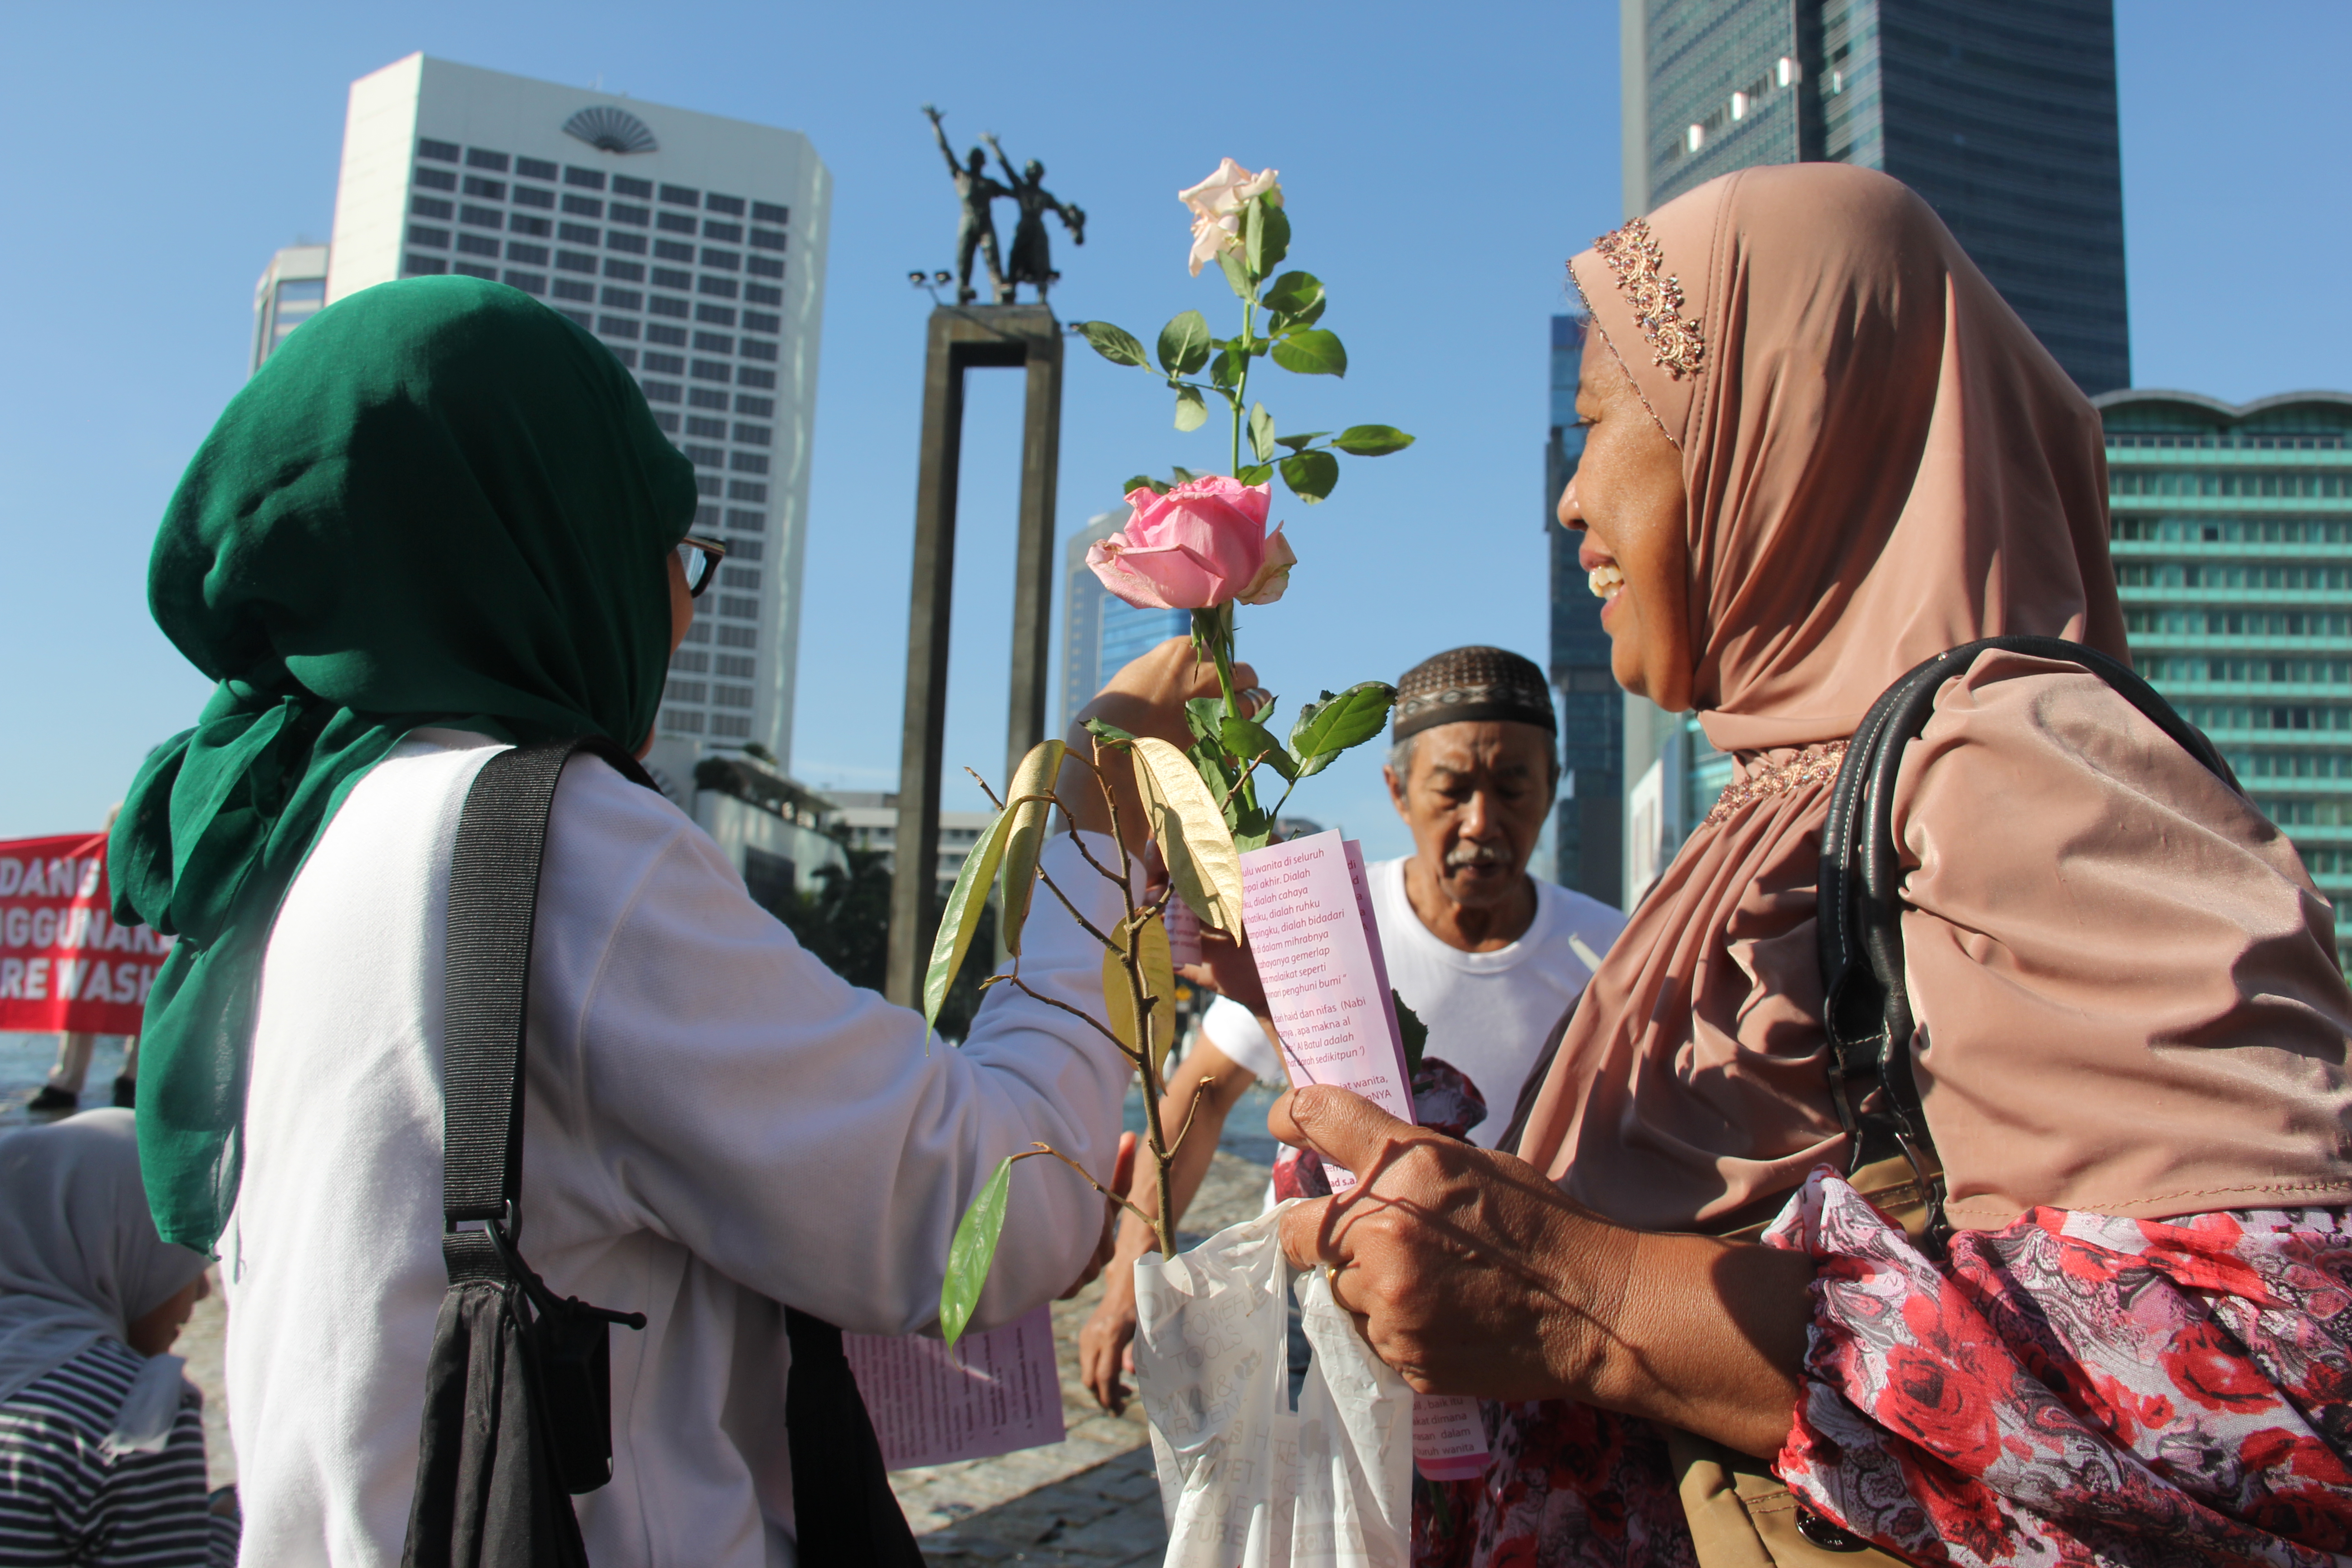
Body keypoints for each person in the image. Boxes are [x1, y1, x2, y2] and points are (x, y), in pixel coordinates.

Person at [1264, 163, 2352, 1566]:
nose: (1572, 502)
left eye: (1601, 428)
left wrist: (1575, 1303)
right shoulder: (1790, 800)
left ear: (1776, 435)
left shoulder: (2006, 760)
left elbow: (2282, 1387)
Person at [105, 275, 1234, 1565]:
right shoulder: (558, 851)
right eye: (662, 548)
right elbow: (996, 1212)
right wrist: (1096, 816)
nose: (681, 613)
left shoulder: (282, 841)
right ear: (539, 540)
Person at [1079, 646, 1625, 1415]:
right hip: (1330, 1353)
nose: (1480, 822)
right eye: (1451, 789)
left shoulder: (1613, 959)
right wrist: (1126, 1280)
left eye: (1510, 788)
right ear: (1397, 791)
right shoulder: (1322, 919)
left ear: (1551, 788)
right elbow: (1200, 1096)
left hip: (1527, 1372)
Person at [0, 1109, 236, 1566]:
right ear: (115, 1243)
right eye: (179, 1254)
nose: (202, 1290)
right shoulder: (133, 1410)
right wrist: (229, 1532)